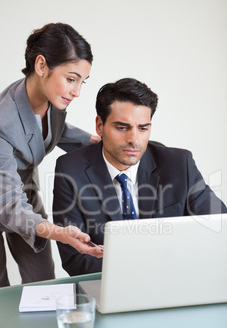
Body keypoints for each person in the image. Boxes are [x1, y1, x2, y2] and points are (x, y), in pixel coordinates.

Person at [0, 22, 103, 292]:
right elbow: (9, 205)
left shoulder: (52, 96)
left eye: (82, 81)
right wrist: (59, 232)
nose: (77, 92)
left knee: (44, 283)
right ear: (41, 65)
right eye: (71, 79)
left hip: (23, 192)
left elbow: (52, 132)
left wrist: (99, 143)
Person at [53, 78, 227, 276]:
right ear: (100, 125)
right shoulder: (70, 170)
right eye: (122, 127)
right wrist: (145, 270)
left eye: (143, 128)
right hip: (109, 286)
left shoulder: (180, 164)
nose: (134, 140)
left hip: (176, 279)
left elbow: (219, 230)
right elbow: (75, 259)